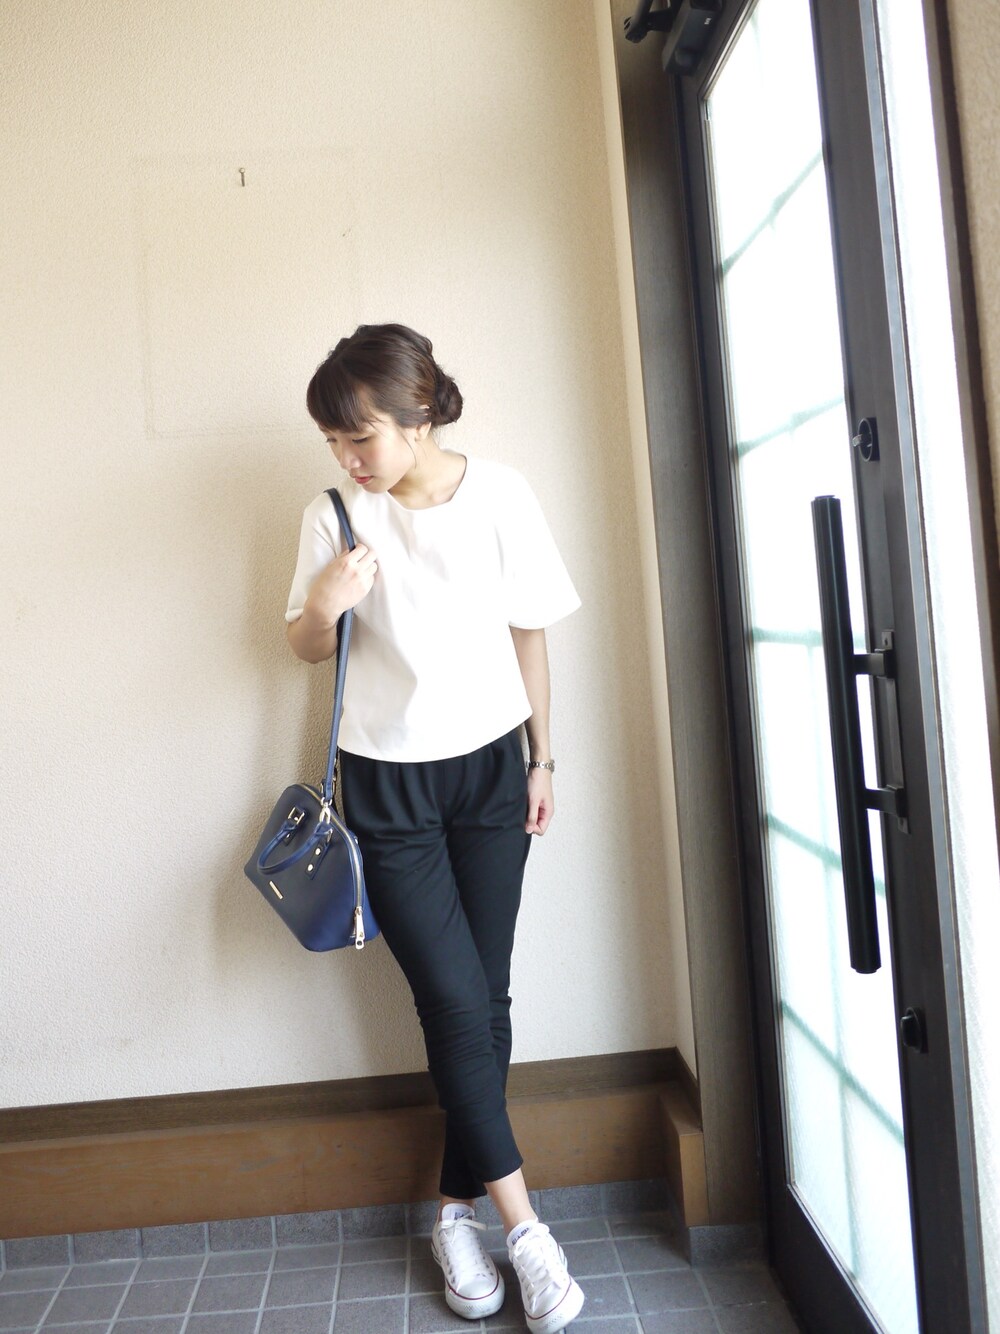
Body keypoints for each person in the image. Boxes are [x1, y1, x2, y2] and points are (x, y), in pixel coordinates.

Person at [284, 323, 584, 1333]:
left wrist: (543, 758)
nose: (347, 456)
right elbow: (301, 646)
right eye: (333, 439)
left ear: (418, 416)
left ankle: (453, 1213)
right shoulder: (334, 515)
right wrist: (325, 602)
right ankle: (527, 1230)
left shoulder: (501, 495)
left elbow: (529, 634)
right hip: (385, 784)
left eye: (359, 434)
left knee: (485, 997)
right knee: (455, 1000)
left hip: (493, 771)